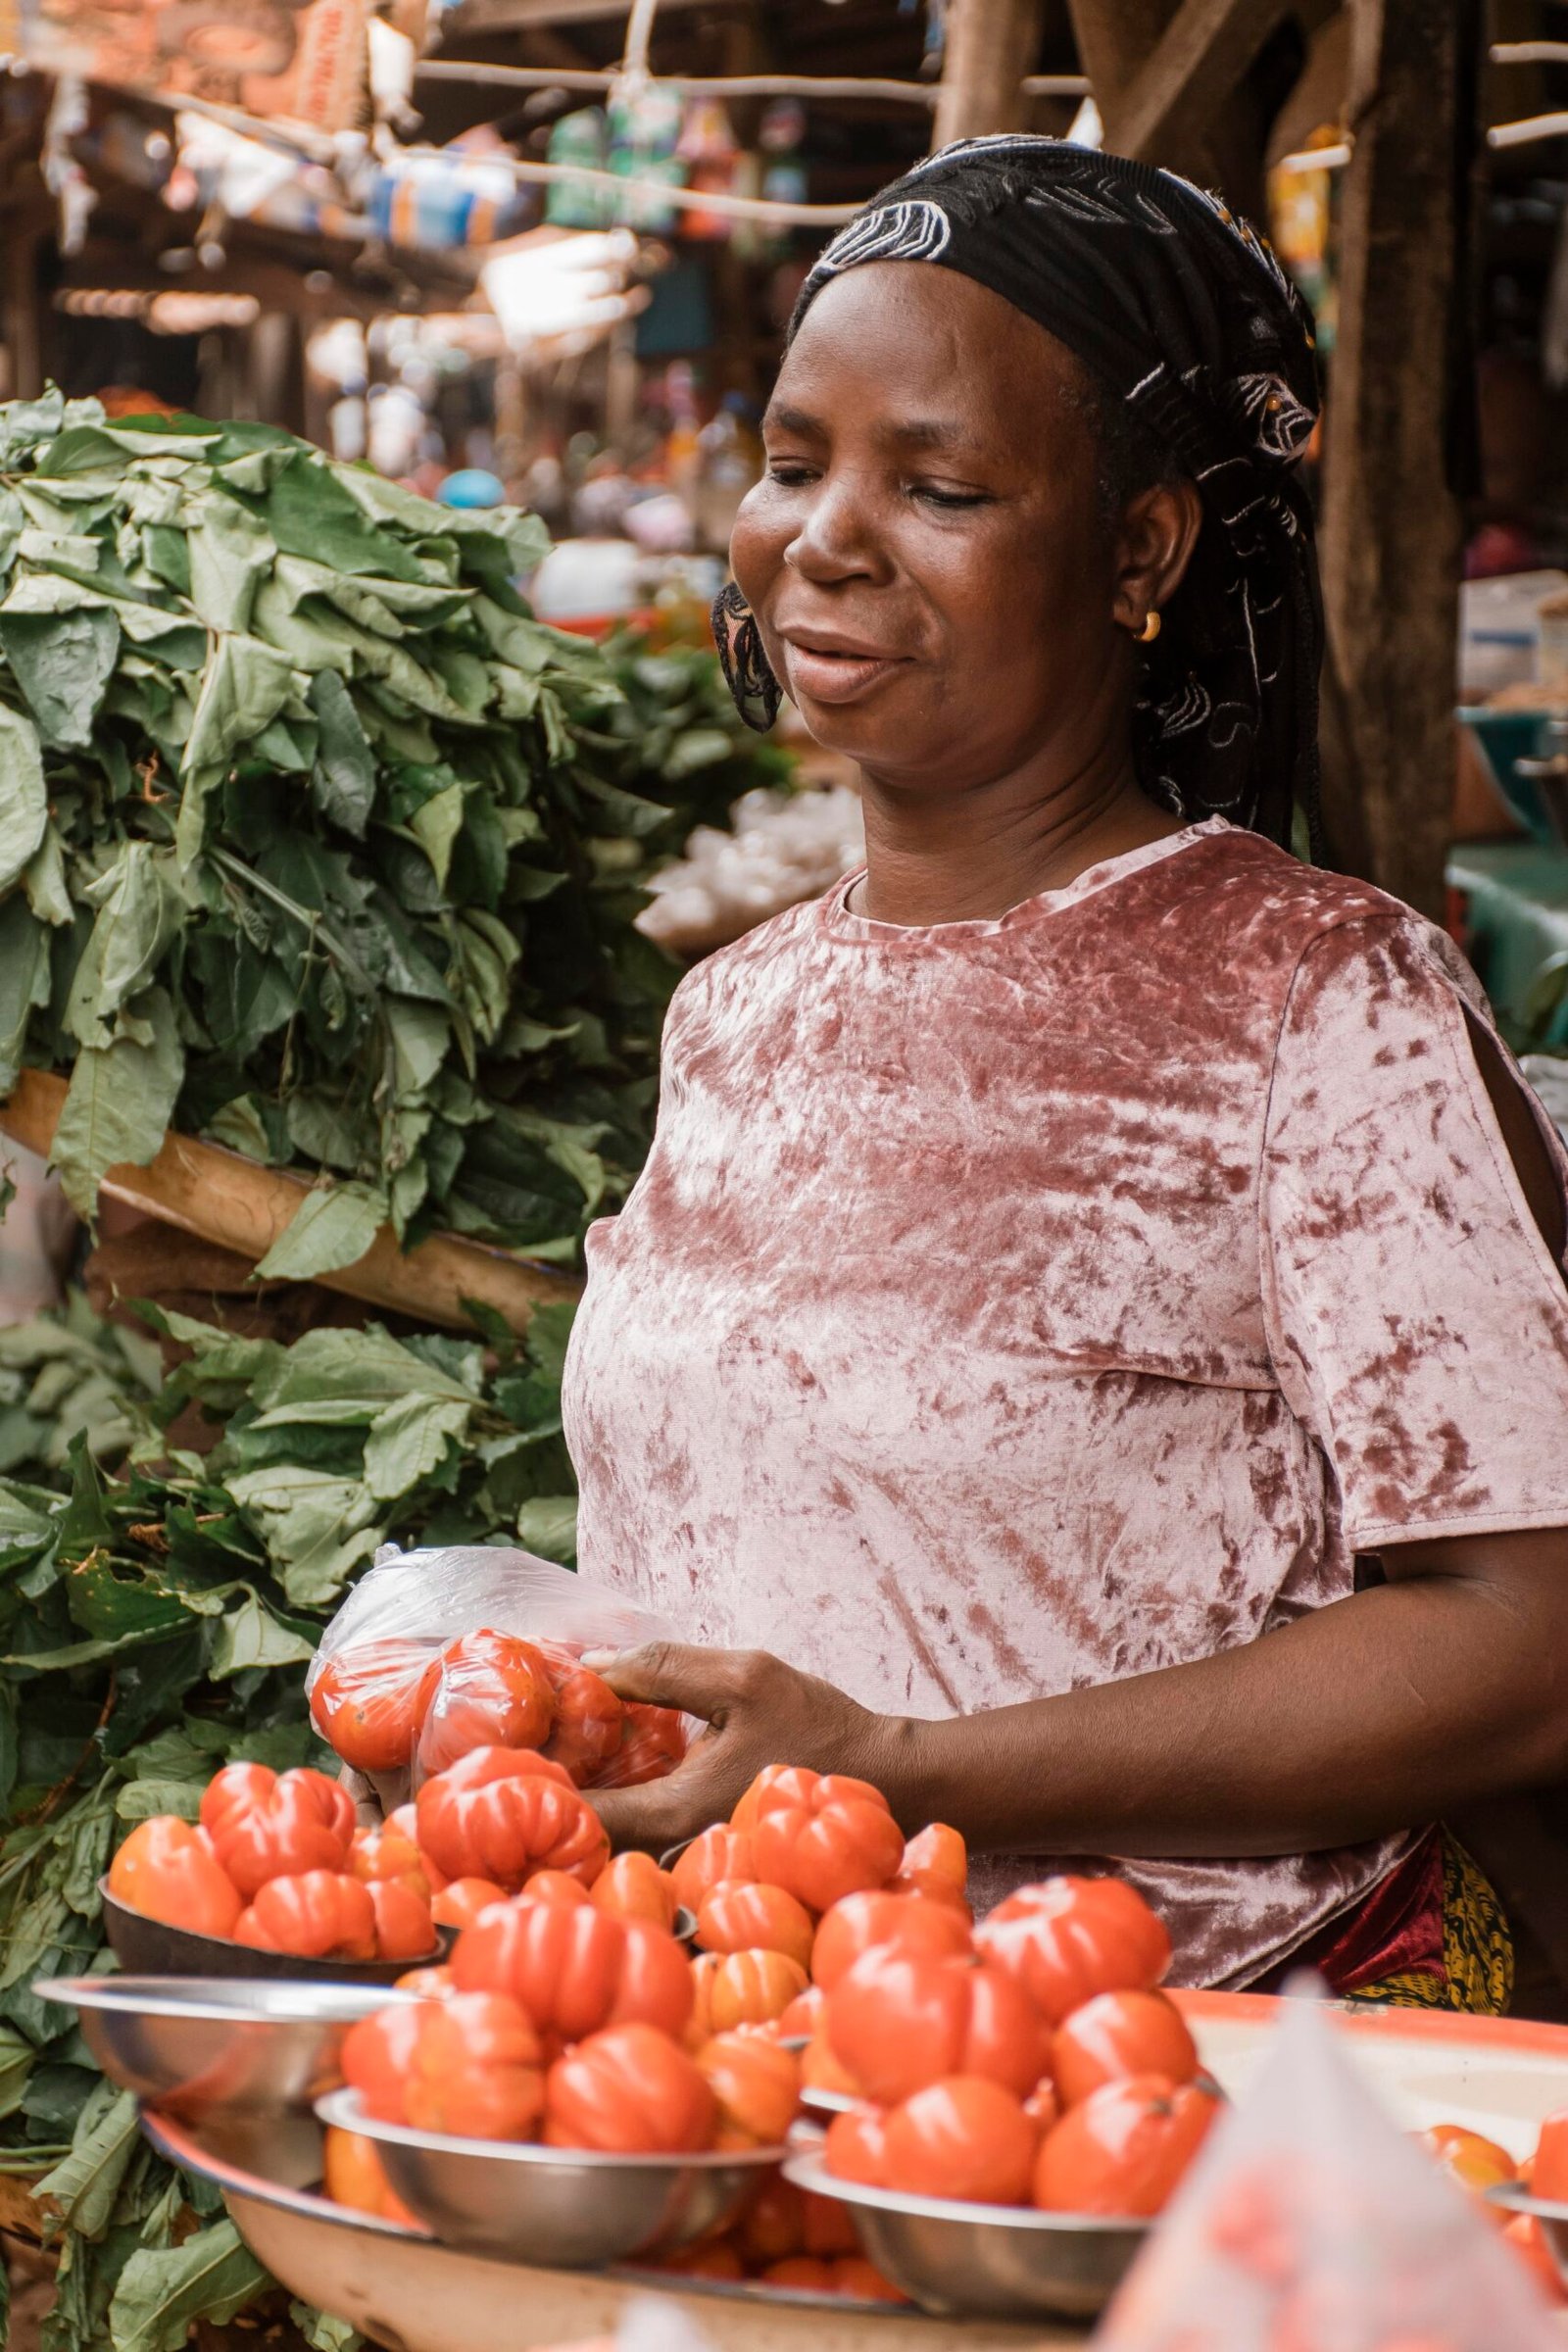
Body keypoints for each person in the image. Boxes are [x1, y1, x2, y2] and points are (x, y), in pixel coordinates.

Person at [562, 138, 1568, 2007]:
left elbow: (1527, 1643)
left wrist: (905, 1778)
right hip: (746, 2038)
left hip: (1184, 2081)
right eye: (793, 464)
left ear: (1140, 555)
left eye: (937, 484)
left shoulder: (1320, 1007)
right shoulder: (735, 1012)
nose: (826, 538)